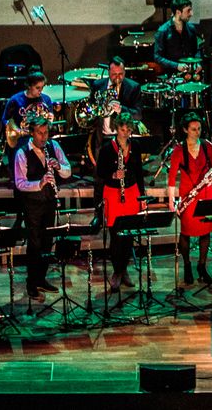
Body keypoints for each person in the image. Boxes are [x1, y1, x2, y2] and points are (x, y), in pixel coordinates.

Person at [13, 116, 72, 300]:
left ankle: (41, 279)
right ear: (32, 133)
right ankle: (31, 283)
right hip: (32, 204)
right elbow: (20, 183)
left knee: (47, 241)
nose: (44, 137)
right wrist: (39, 183)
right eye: (40, 133)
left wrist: (58, 167)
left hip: (50, 201)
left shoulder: (53, 146)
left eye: (46, 133)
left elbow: (68, 170)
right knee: (35, 243)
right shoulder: (22, 153)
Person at [93, 113, 145, 292]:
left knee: (129, 235)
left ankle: (124, 270)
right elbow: (100, 172)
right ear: (116, 129)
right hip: (113, 194)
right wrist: (113, 175)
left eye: (129, 129)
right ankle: (117, 271)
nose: (126, 133)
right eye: (123, 129)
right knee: (115, 235)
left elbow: (139, 173)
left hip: (131, 193)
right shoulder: (108, 148)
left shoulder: (135, 146)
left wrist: (142, 197)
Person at [167, 112, 212, 285]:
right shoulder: (178, 150)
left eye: (199, 129)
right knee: (186, 231)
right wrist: (171, 201)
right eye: (193, 129)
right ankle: (187, 265)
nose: (197, 132)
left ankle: (202, 266)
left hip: (205, 193)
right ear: (185, 130)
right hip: (188, 194)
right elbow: (172, 177)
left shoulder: (207, 146)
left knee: (205, 230)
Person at [89, 56, 143, 151]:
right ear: (108, 72)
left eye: (121, 74)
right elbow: (92, 109)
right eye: (114, 74)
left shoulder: (133, 87)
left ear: (125, 72)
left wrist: (121, 109)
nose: (118, 77)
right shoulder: (98, 85)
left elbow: (138, 115)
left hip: (124, 139)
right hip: (102, 138)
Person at [2, 71, 55, 151]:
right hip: (22, 142)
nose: (40, 91)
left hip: (41, 140)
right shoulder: (15, 100)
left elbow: (49, 120)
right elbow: (5, 119)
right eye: (37, 88)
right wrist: (16, 131)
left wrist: (49, 121)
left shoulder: (46, 99)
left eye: (42, 87)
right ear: (29, 86)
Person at [154, 0, 202, 74]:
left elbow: (196, 50)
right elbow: (157, 57)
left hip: (190, 73)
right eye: (188, 11)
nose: (191, 13)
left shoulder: (191, 28)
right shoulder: (163, 31)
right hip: (171, 74)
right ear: (178, 12)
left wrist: (198, 63)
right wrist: (176, 65)